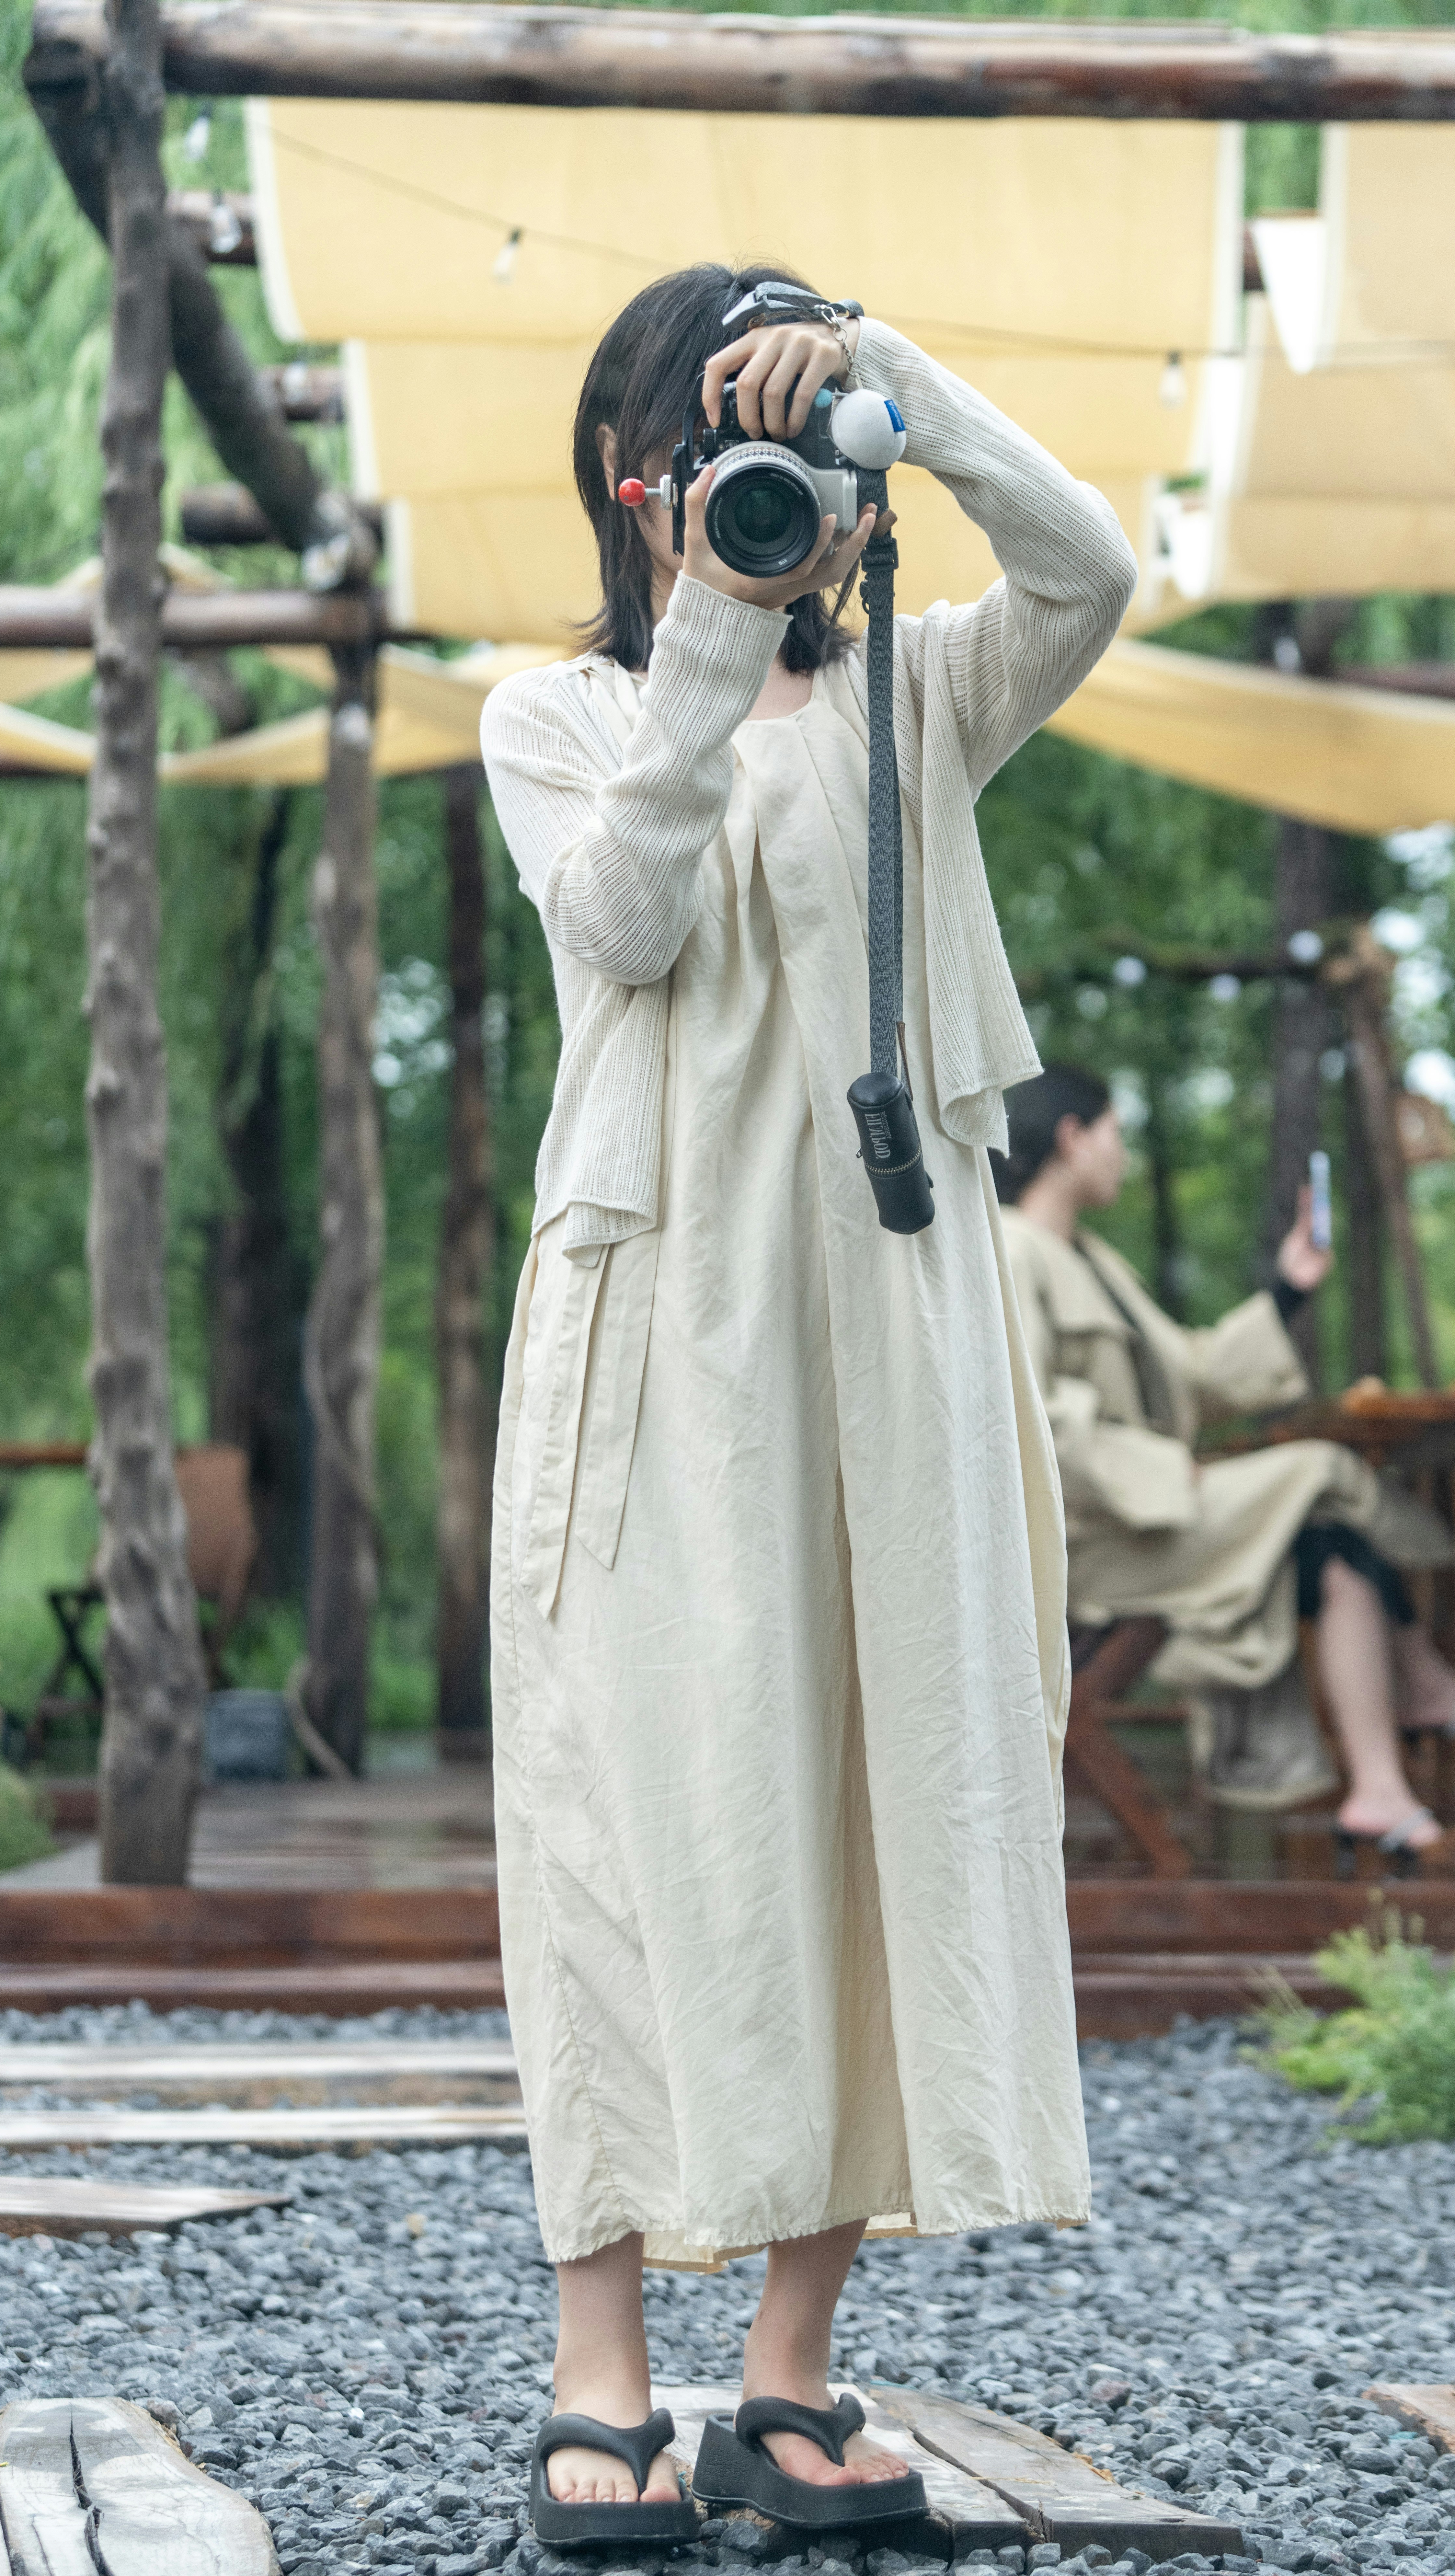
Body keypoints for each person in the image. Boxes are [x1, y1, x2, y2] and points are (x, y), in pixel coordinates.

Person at [481, 264, 1136, 2541]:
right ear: (631, 479)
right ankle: (598, 2369)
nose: (766, 500)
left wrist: (901, 393)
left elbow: (1091, 559)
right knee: (621, 1809)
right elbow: (630, 924)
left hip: (892, 1317)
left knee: (869, 1796)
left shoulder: (926, 704)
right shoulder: (548, 711)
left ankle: (783, 2375)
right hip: (664, 1319)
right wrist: (705, 620)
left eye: (791, 460)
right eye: (718, 451)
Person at [994, 1063, 1455, 1860]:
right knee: (1320, 1471)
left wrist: (1289, 1289)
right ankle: (1437, 1667)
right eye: (1114, 1133)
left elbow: (1197, 1373)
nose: (1123, 1153)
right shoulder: (1011, 1250)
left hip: (1154, 1517)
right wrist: (1169, 1474)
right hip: (1104, 1535)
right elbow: (1033, 1422)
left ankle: (1380, 1790)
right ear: (1073, 1138)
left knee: (1327, 1545)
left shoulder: (1095, 1261)